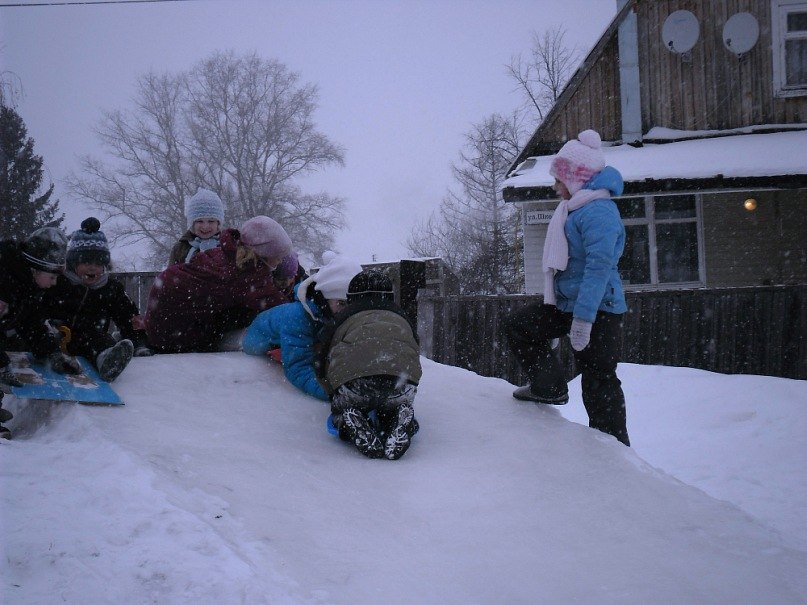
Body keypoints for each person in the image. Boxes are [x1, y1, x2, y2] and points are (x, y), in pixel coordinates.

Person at [505, 129, 630, 446]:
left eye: (559, 180)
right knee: (519, 325)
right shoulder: (575, 208)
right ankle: (549, 387)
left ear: (576, 178)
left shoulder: (598, 211)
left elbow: (598, 268)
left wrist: (584, 320)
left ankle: (613, 451)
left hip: (598, 309)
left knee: (599, 379)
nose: (555, 186)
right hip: (567, 305)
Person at [145, 215, 293, 353]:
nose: (281, 261)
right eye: (279, 257)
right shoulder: (247, 273)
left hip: (160, 322)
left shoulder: (227, 253)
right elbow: (281, 309)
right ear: (264, 253)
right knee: (259, 326)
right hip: (173, 336)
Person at [317, 270, 422, 460]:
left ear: (350, 297)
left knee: (344, 408)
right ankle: (399, 418)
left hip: (354, 379)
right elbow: (413, 350)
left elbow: (321, 353)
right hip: (401, 379)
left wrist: (332, 389)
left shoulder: (344, 316)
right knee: (390, 405)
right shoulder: (401, 316)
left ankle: (349, 421)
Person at [40, 217, 152, 383]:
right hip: (54, 337)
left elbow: (129, 317)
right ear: (72, 263)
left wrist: (140, 343)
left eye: (98, 263)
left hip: (90, 341)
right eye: (85, 262)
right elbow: (38, 309)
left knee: (102, 340)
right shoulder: (58, 282)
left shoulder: (110, 289)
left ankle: (107, 360)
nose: (92, 267)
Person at [242, 251, 363, 401]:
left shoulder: (327, 312)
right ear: (325, 298)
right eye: (341, 303)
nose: (347, 310)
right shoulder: (297, 317)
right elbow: (298, 369)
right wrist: (333, 395)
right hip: (254, 341)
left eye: (351, 303)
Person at [0, 227, 81, 438]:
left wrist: (52, 352)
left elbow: (32, 324)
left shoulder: (25, 285)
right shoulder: (4, 283)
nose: (54, 284)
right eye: (52, 277)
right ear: (37, 269)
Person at [168, 188, 225, 265]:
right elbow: (171, 275)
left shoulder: (228, 246)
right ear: (192, 223)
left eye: (211, 221)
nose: (205, 226)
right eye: (200, 221)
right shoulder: (180, 249)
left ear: (218, 223)